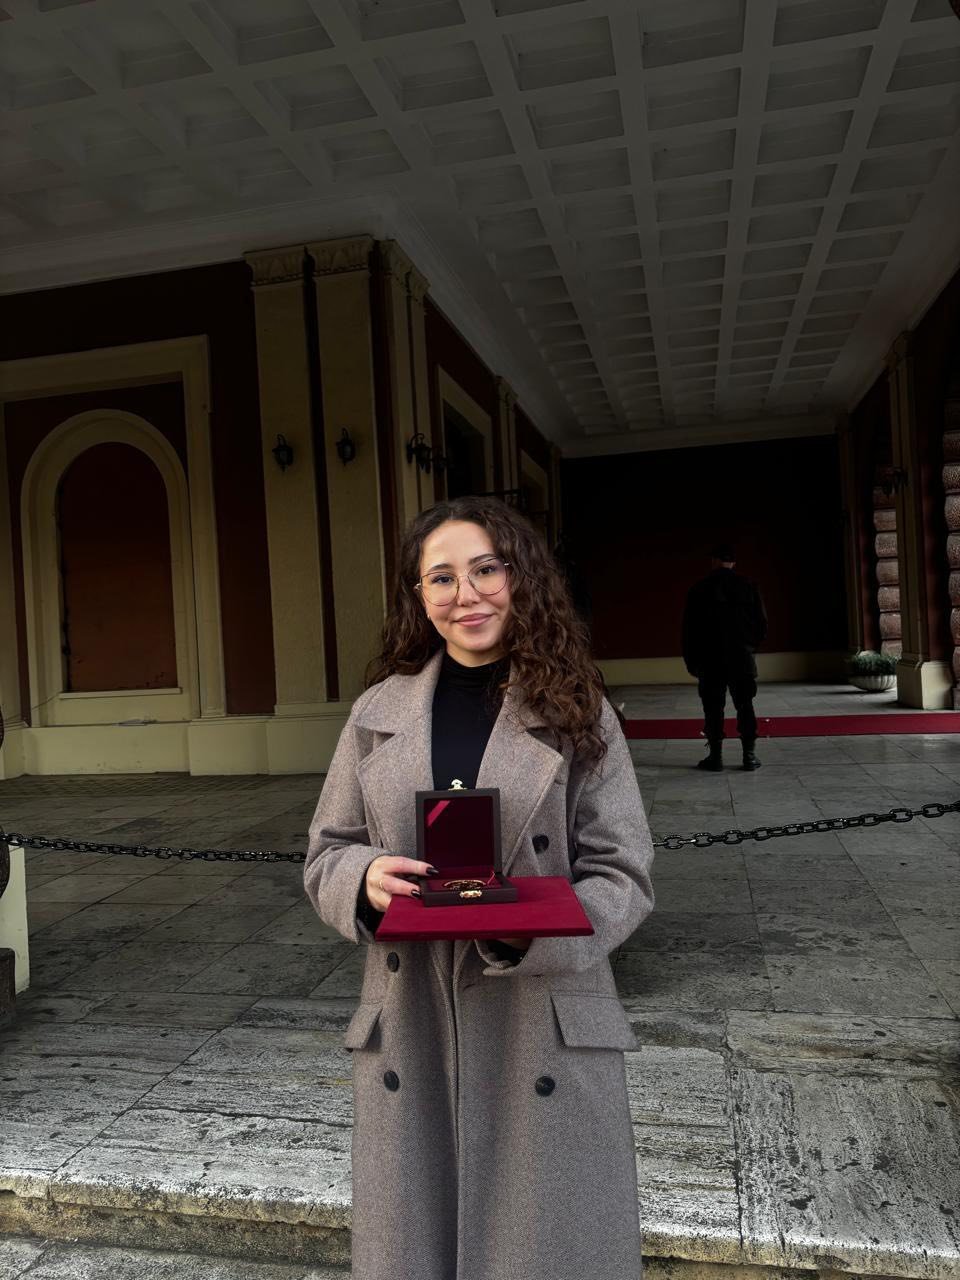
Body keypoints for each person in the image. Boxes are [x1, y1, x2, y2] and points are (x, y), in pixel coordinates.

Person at [304, 496, 655, 1280]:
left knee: (539, 1250)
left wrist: (539, 930)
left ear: (519, 577)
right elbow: (327, 852)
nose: (465, 594)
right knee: (417, 1246)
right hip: (413, 1019)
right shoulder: (375, 714)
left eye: (485, 569)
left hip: (541, 1020)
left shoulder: (579, 710)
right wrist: (363, 880)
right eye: (441, 578)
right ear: (419, 595)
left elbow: (624, 871)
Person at [681, 542, 767, 772]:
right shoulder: (749, 586)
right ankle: (749, 756)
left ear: (714, 561)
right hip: (741, 658)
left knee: (712, 708)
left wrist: (691, 661)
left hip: (709, 660)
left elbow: (689, 630)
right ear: (733, 563)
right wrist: (748, 648)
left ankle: (715, 757)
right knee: (745, 705)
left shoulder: (699, 589)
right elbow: (762, 625)